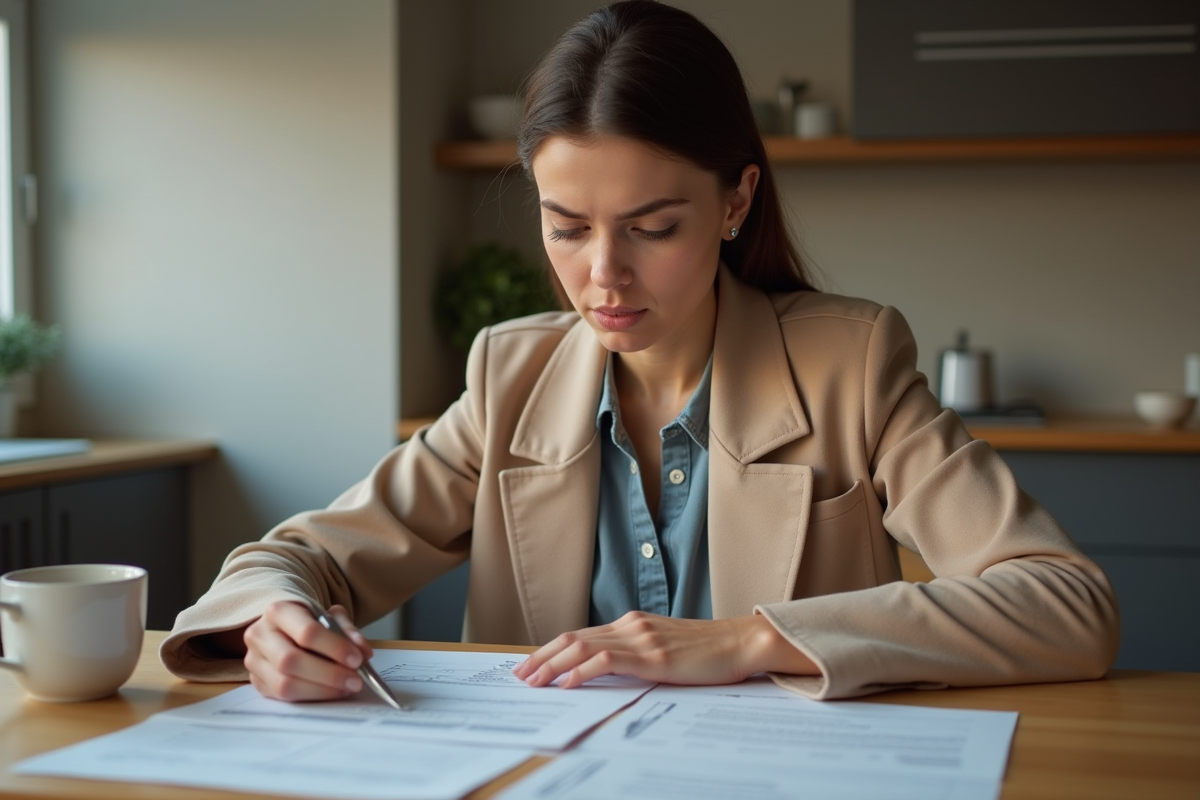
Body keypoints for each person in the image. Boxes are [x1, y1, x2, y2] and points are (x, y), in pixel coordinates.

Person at [161, 0, 1119, 701]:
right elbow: (293, 559)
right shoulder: (511, 376)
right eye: (567, 227)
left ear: (735, 201)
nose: (602, 277)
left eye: (653, 228)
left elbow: (1066, 604)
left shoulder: (852, 366)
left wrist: (749, 639)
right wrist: (272, 623)